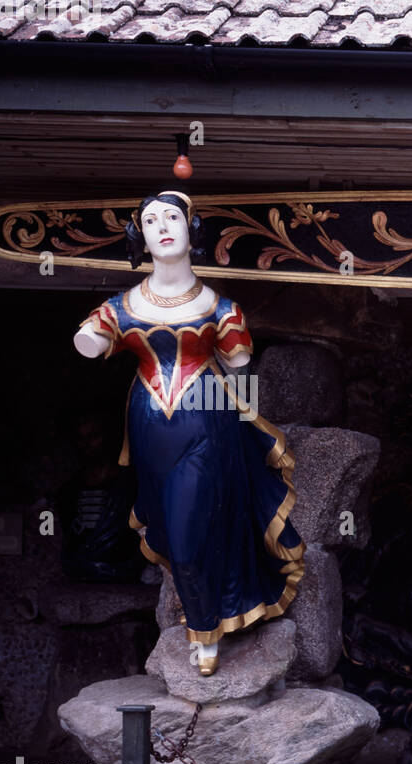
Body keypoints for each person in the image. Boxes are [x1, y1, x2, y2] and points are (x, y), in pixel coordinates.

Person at [73, 190, 304, 675]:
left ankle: (204, 630)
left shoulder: (220, 307)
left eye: (172, 217)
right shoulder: (122, 305)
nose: (162, 226)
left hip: (207, 422)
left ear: (191, 230)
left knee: (188, 526)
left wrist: (237, 412)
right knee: (170, 518)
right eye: (150, 219)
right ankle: (207, 609)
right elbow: (90, 341)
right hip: (148, 426)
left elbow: (239, 363)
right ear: (140, 236)